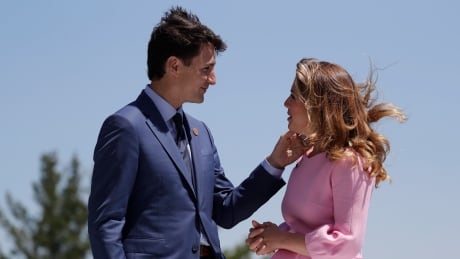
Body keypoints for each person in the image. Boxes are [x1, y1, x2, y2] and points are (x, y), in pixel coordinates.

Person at [87, 6, 304, 259]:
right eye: (206, 69)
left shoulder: (201, 134)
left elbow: (226, 210)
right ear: (174, 66)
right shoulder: (126, 127)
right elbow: (105, 223)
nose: (213, 79)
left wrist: (275, 163)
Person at [246, 58, 407, 259]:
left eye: (293, 96)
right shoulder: (306, 157)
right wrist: (271, 236)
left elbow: (347, 244)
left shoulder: (350, 162)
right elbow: (305, 228)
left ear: (317, 106)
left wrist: (281, 240)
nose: (285, 103)